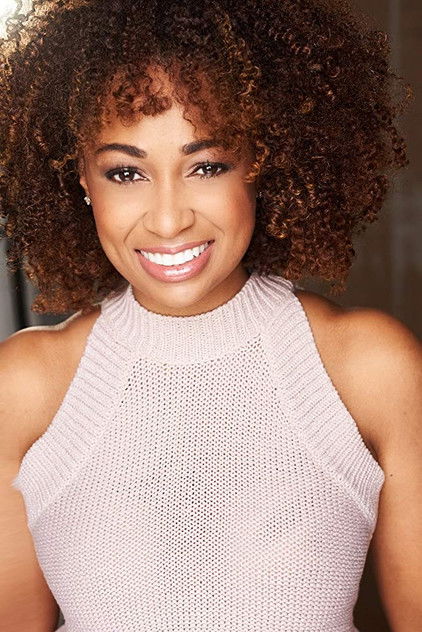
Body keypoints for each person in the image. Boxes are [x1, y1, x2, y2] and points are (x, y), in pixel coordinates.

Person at [0, 0, 420, 630]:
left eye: (207, 166)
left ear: (261, 159)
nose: (169, 219)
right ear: (80, 176)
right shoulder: (24, 386)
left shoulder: (369, 367)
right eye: (125, 172)